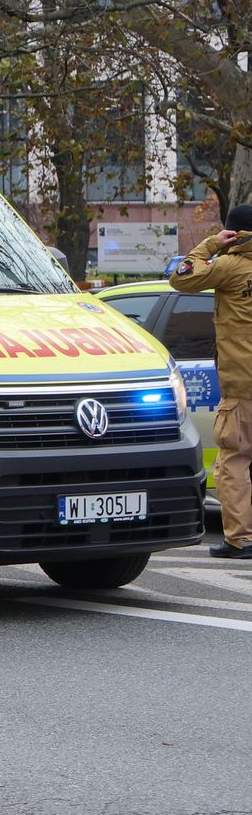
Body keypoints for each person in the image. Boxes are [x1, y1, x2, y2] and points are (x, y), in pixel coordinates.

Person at [170, 204, 252, 558]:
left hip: (242, 383)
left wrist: (211, 244)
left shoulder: (230, 267)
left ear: (233, 232)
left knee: (234, 459)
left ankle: (240, 539)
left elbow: (182, 277)